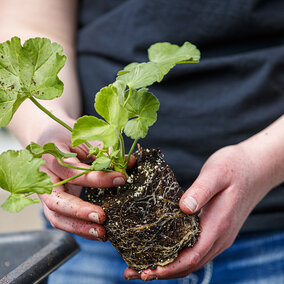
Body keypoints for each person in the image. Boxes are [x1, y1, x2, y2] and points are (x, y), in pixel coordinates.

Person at [2, 0, 284, 283]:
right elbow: (30, 20)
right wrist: (47, 129)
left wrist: (264, 162)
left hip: (272, 234)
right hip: (91, 241)